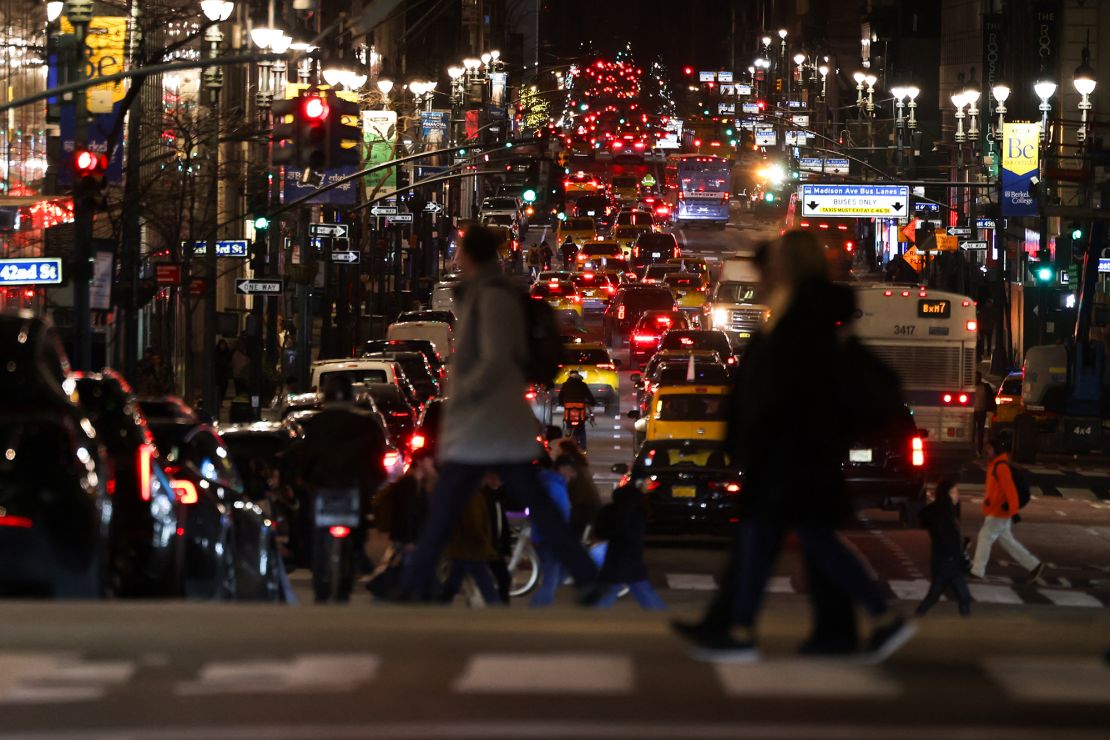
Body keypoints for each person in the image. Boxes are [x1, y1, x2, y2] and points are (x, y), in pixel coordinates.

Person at [671, 231, 915, 664]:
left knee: (794, 539)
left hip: (793, 452)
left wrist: (757, 432)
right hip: (790, 451)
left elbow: (783, 390)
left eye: (774, 265)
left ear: (788, 268)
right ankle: (737, 625)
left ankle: (745, 628)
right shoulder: (800, 312)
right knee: (771, 540)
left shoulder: (804, 318)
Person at [394, 225, 600, 602]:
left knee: (447, 509)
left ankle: (412, 584)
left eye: (459, 251)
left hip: (486, 424)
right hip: (492, 426)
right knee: (466, 506)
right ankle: (412, 583)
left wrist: (460, 392)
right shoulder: (489, 292)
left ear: (469, 255)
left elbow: (495, 360)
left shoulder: (492, 297)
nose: (456, 257)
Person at [294, 374, 389, 598]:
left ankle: (321, 575)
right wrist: (371, 485)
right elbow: (378, 463)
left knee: (315, 532)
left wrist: (303, 479)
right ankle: (355, 563)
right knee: (356, 533)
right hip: (354, 490)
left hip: (323, 489)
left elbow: (303, 460)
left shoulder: (316, 425)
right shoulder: (366, 425)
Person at [970, 435, 1045, 582]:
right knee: (1008, 542)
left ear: (995, 450)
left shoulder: (1001, 467)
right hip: (997, 510)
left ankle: (977, 570)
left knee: (985, 537)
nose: (986, 451)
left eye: (989, 448)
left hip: (999, 511)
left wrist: (1013, 510)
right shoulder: (995, 465)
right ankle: (1034, 565)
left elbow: (1010, 490)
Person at [593, 480, 666, 610]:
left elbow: (601, 532)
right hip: (632, 556)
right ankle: (661, 615)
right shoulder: (639, 513)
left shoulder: (611, 511)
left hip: (615, 556)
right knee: (641, 589)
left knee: (612, 588)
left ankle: (595, 615)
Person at [916, 478, 972, 617]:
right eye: (953, 492)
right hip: (947, 562)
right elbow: (948, 541)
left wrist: (962, 544)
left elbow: (948, 540)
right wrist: (963, 557)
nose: (957, 495)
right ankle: (967, 627)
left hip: (943, 561)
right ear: (945, 495)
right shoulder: (943, 516)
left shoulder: (943, 513)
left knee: (935, 594)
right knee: (962, 595)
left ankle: (920, 614)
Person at [440, 483, 502, 606]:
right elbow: (474, 523)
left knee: (456, 578)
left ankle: (441, 604)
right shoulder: (473, 496)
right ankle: (496, 606)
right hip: (472, 547)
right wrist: (484, 543)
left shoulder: (462, 494)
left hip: (463, 546)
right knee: (483, 580)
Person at [529, 455, 573, 607]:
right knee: (552, 576)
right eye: (569, 470)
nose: (571, 475)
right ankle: (538, 606)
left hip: (551, 536)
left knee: (559, 572)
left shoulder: (555, 484)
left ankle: (539, 604)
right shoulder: (553, 486)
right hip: (550, 537)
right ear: (561, 469)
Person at [552, 438, 602, 539]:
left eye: (557, 450)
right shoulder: (579, 464)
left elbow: (563, 488)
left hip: (581, 512)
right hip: (590, 509)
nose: (554, 453)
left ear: (563, 451)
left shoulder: (567, 467)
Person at [559, 370, 596, 451]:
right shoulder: (582, 385)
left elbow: (560, 396)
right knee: (581, 428)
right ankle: (583, 448)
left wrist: (561, 403)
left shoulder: (565, 384)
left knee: (568, 426)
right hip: (580, 409)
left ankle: (567, 445)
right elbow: (589, 395)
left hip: (568, 409)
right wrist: (593, 403)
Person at [973, 374, 995, 455]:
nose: (976, 379)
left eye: (977, 377)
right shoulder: (971, 386)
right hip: (974, 412)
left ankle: (979, 449)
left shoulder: (985, 387)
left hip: (981, 411)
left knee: (980, 431)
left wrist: (990, 409)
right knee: (974, 431)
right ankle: (975, 448)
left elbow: (990, 399)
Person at [214, 338, 232, 404]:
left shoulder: (227, 353)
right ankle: (218, 401)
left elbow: (229, 362)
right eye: (222, 345)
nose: (223, 346)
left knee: (223, 388)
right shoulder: (216, 353)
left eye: (224, 345)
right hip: (218, 373)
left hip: (224, 374)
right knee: (218, 388)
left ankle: (220, 401)